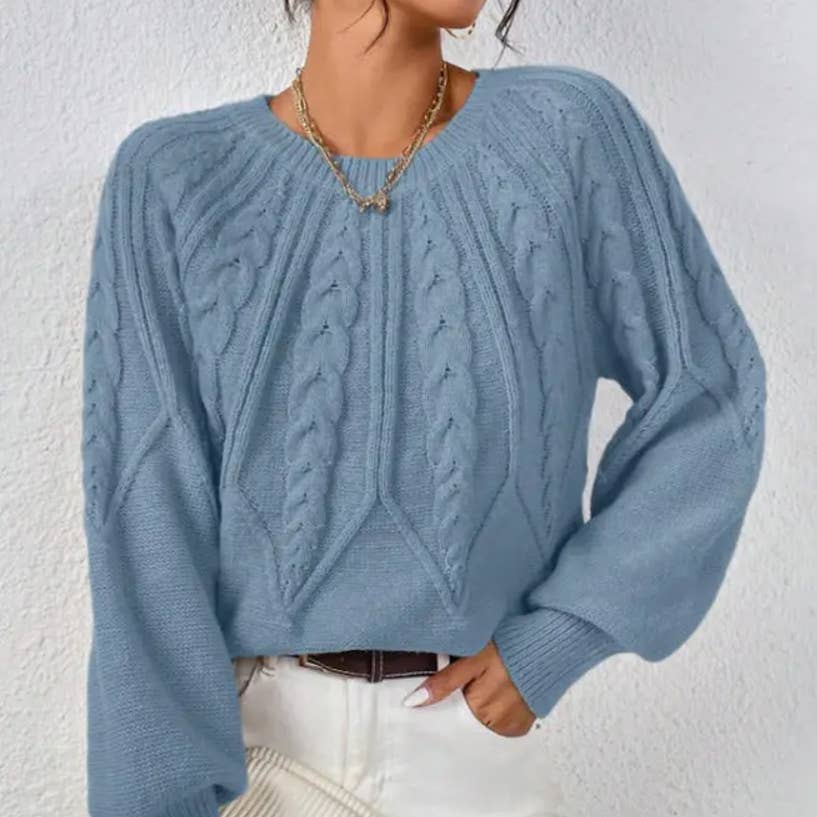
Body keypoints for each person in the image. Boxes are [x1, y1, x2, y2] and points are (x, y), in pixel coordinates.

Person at [79, 1, 767, 816]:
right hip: (252, 746)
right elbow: (144, 521)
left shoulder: (566, 134)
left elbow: (710, 397)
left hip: (467, 749)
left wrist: (559, 636)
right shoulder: (174, 175)